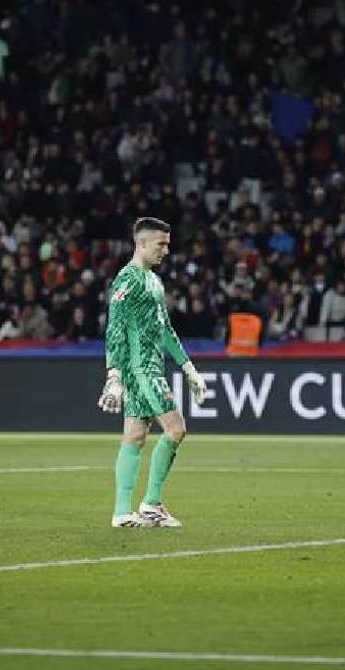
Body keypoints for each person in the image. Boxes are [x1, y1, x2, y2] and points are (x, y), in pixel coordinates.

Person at [97, 217, 206, 528]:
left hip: (153, 366)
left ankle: (122, 512)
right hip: (140, 369)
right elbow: (115, 329)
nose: (166, 250)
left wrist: (188, 367)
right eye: (161, 244)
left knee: (134, 436)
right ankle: (151, 505)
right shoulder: (127, 280)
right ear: (141, 243)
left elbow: (165, 330)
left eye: (168, 244)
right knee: (176, 428)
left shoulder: (154, 281)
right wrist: (114, 376)